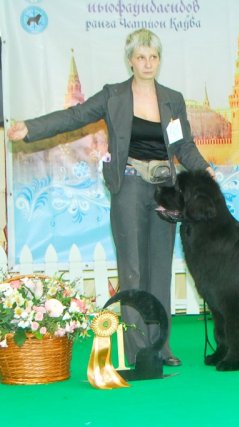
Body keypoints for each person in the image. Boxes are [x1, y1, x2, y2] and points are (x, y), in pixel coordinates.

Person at [7, 28, 214, 367]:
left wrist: (205, 171)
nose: (148, 63)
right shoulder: (113, 95)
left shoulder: (172, 98)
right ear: (130, 60)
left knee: (160, 268)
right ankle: (137, 351)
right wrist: (29, 128)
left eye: (154, 57)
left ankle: (160, 346)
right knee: (131, 270)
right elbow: (73, 116)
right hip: (129, 186)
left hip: (166, 189)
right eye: (141, 57)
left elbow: (182, 145)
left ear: (159, 60)